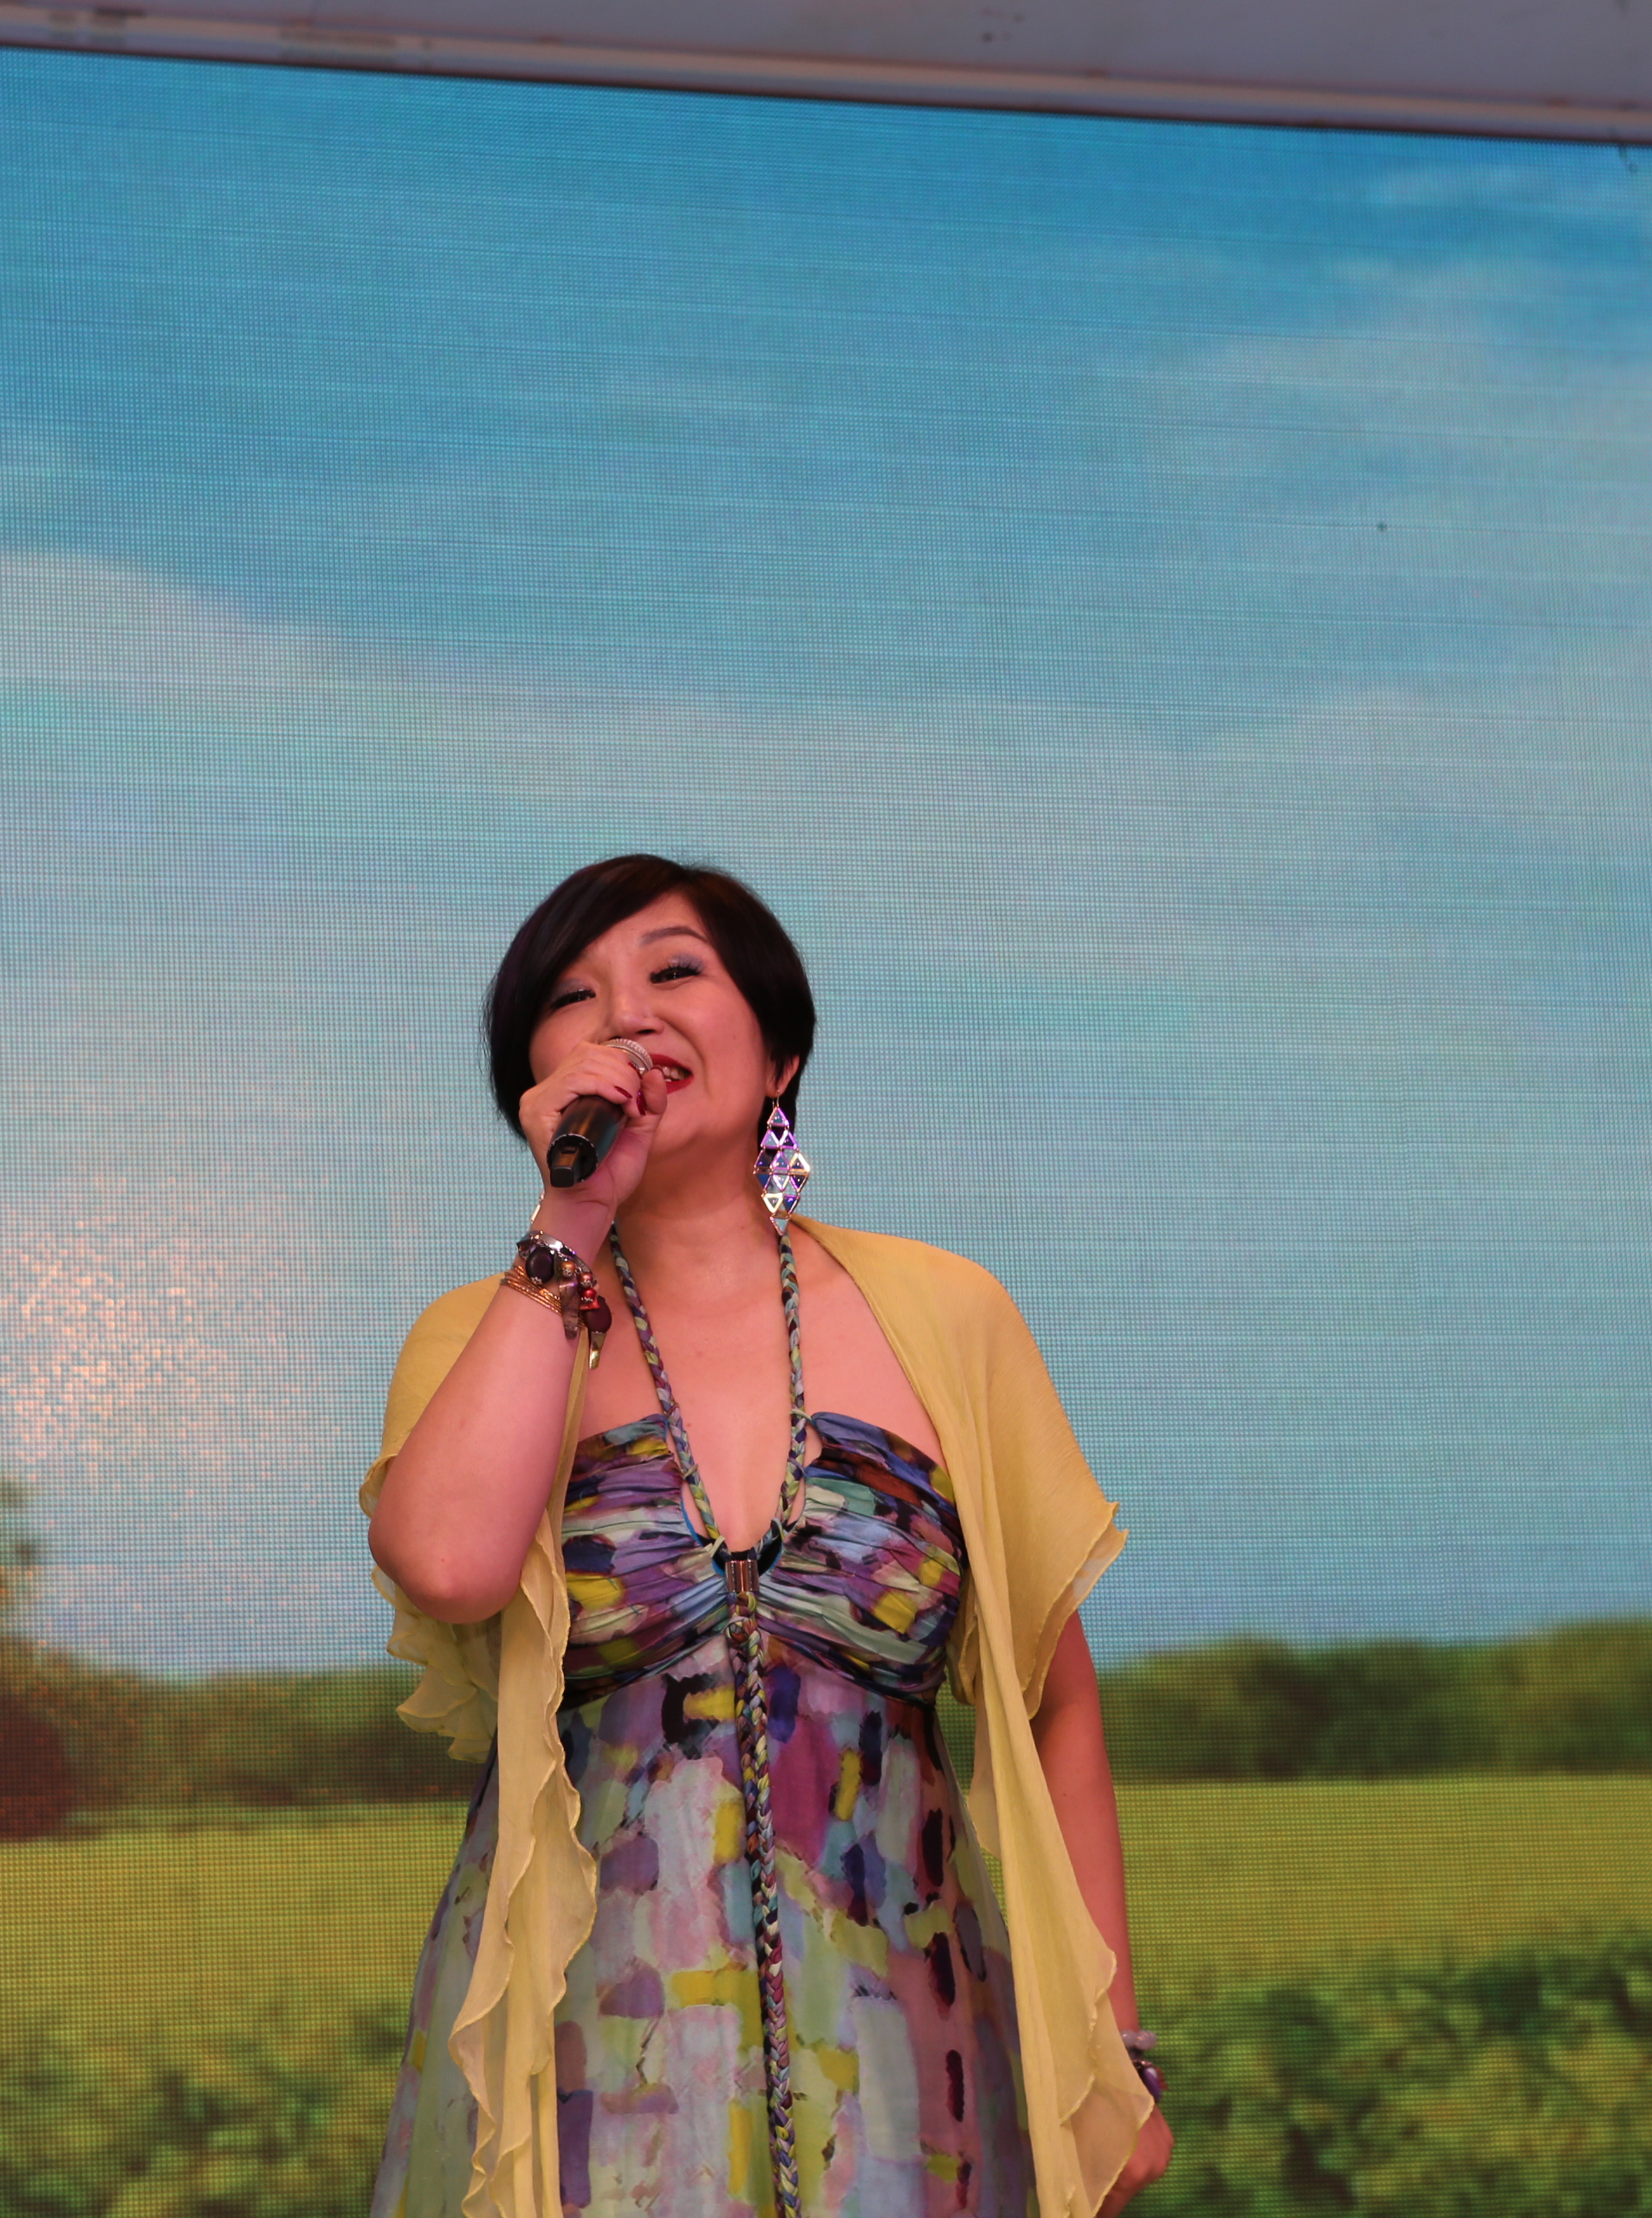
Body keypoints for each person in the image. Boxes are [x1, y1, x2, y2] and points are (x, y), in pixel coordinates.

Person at [364, 855, 1171, 2218]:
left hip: (913, 2055)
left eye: (674, 971)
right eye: (573, 997)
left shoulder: (947, 1313)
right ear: (533, 1082)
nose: (628, 1015)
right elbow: (450, 1564)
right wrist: (571, 1222)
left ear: (781, 1049)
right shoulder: (485, 1334)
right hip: (601, 2065)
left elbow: (1054, 1700)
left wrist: (1117, 2049)